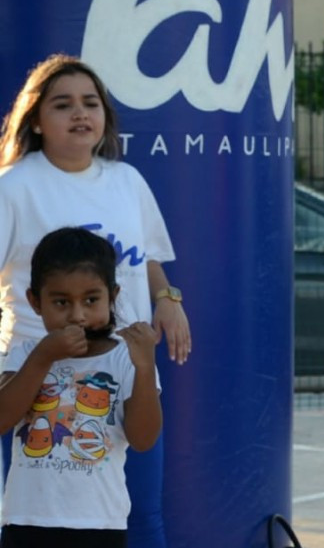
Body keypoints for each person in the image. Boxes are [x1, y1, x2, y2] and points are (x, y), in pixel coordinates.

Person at [0, 55, 190, 546]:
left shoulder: (127, 181)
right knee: (37, 521)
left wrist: (167, 298)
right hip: (38, 377)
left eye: (91, 102)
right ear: (37, 121)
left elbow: (146, 258)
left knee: (141, 515)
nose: (80, 113)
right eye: (63, 104)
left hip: (123, 370)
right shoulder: (14, 187)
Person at [0, 227, 161, 547]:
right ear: (35, 301)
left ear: (112, 296)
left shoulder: (127, 358)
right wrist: (44, 356)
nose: (77, 315)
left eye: (91, 300)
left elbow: (143, 440)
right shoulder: (24, 354)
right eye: (61, 302)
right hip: (27, 521)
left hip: (99, 524)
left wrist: (144, 368)